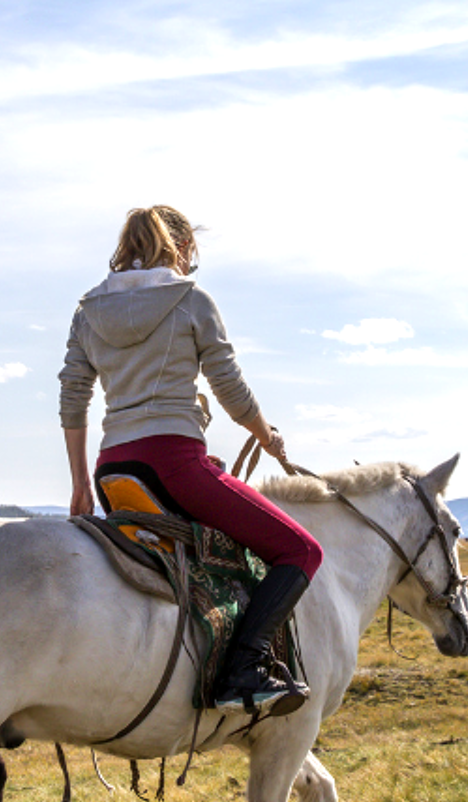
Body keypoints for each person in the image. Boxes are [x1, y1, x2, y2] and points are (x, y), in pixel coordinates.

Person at [58, 205, 324, 717]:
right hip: (175, 465)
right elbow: (229, 386)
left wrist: (79, 484)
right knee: (300, 550)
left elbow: (74, 397)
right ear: (181, 250)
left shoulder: (87, 311)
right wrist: (265, 435)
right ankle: (242, 668)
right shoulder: (190, 299)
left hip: (113, 470)